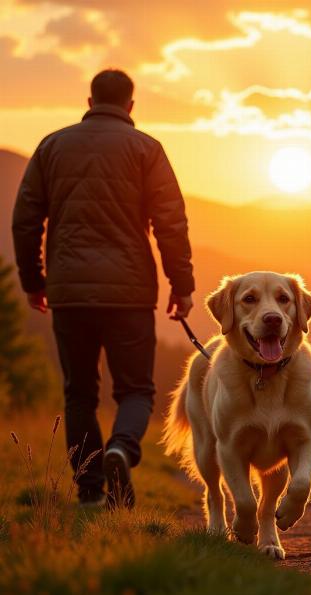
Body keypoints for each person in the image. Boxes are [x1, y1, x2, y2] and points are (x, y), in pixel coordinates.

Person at [12, 69, 195, 509]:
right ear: (131, 105)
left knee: (80, 393)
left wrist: (34, 282)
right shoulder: (146, 149)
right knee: (135, 390)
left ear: (89, 100)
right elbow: (170, 223)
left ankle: (91, 491)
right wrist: (182, 285)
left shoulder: (52, 146)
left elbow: (25, 220)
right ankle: (122, 449)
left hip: (70, 292)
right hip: (130, 293)